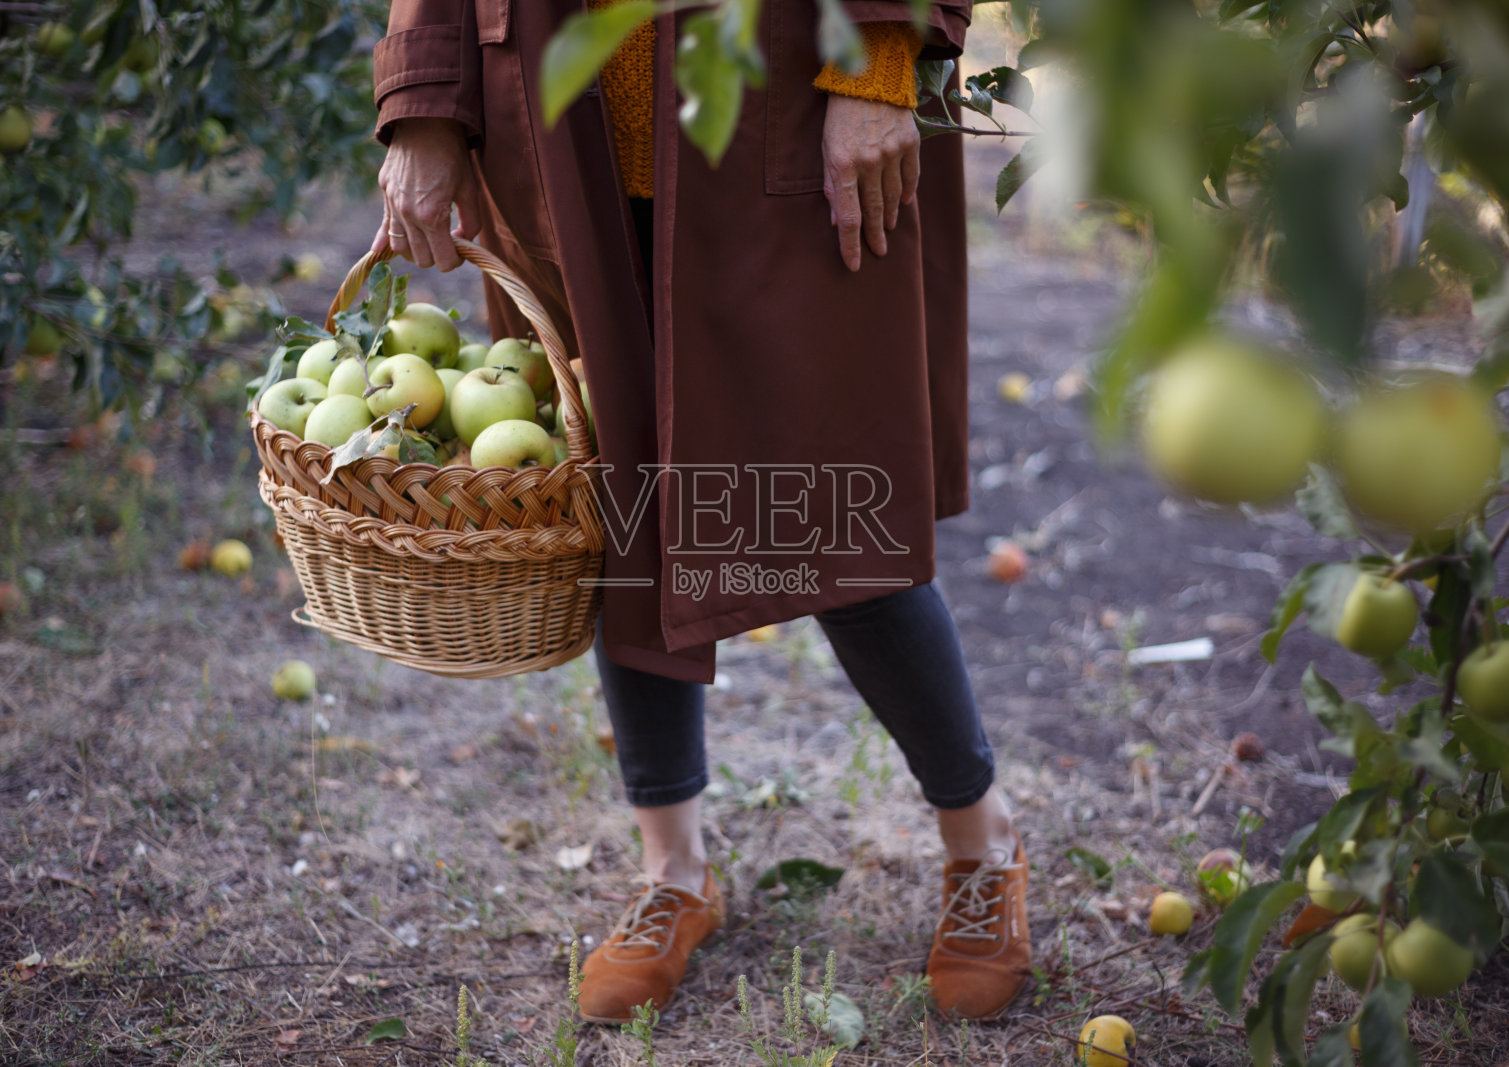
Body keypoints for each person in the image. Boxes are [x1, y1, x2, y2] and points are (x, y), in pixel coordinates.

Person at [370, 0, 1027, 1024]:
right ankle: (673, 873)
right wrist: (424, 103)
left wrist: (879, 57)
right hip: (562, 122)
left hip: (789, 89)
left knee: (831, 513)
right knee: (620, 501)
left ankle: (983, 846)